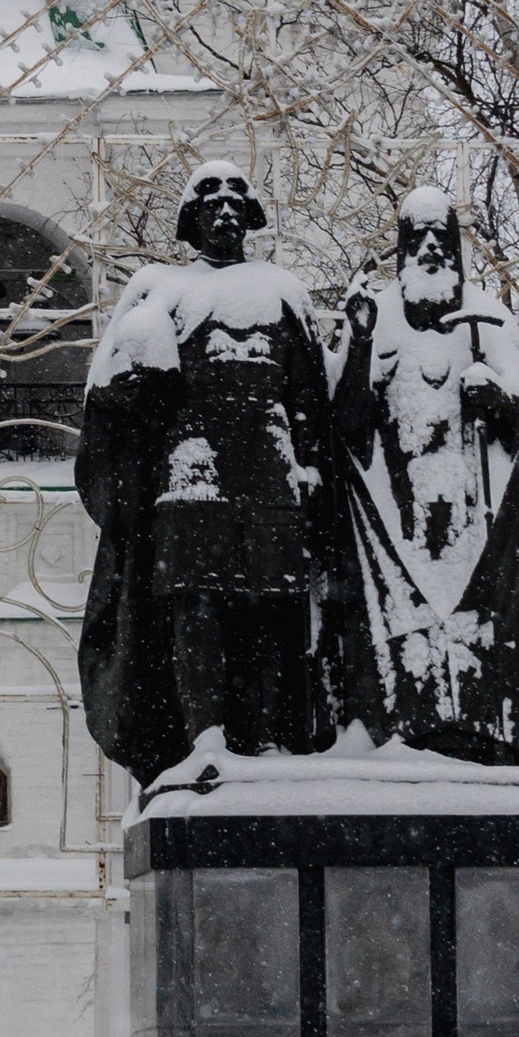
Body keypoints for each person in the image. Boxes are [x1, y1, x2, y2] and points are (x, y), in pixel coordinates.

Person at [75, 162, 341, 786]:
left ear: (250, 217)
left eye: (234, 203)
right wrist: (138, 390)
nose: (224, 213)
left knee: (272, 609)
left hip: (273, 471)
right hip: (193, 472)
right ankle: (206, 735)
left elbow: (310, 395)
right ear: (191, 220)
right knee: (199, 607)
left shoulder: (283, 290)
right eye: (210, 203)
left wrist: (312, 473)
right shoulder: (159, 288)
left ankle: (270, 736)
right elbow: (109, 389)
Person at [328, 186, 519, 768]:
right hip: (397, 527)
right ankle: (407, 735)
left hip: (470, 523)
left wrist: (500, 401)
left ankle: (475, 736)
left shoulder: (489, 323)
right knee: (405, 635)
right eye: (419, 239)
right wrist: (359, 346)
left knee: (472, 632)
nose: (432, 249)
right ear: (402, 250)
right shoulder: (376, 320)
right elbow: (344, 433)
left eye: (444, 238)